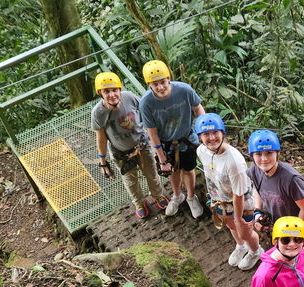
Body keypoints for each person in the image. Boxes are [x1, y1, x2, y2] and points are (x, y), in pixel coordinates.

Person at [90, 72, 167, 219]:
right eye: (107, 91)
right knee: (131, 181)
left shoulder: (129, 97)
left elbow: (145, 110)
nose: (112, 94)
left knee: (151, 173)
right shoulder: (98, 113)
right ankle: (139, 202)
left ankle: (157, 195)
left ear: (120, 89)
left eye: (115, 90)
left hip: (141, 145)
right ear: (100, 93)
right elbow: (100, 138)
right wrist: (102, 161)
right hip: (121, 152)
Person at [194, 113, 264, 271]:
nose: (211, 138)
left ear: (222, 133)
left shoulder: (233, 161)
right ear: (200, 137)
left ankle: (255, 250)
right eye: (206, 134)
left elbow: (239, 195)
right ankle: (241, 246)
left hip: (241, 203)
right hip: (220, 199)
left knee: (245, 231)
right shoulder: (201, 151)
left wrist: (239, 218)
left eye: (215, 133)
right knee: (231, 226)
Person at [139, 60, 206, 218]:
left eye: (162, 82)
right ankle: (177, 195)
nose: (160, 87)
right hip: (165, 143)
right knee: (172, 171)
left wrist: (203, 132)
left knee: (189, 169)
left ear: (168, 79)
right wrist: (162, 158)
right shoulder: (146, 103)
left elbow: (197, 108)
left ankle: (191, 196)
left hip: (187, 138)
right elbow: (152, 132)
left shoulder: (184, 90)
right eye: (155, 84)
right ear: (149, 85)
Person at [246, 130, 304, 237]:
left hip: (300, 227)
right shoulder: (255, 170)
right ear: (252, 155)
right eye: (258, 154)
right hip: (278, 226)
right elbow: (258, 189)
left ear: (277, 153)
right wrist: (258, 213)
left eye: (269, 153)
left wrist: (293, 236)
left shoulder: (291, 179)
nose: (264, 159)